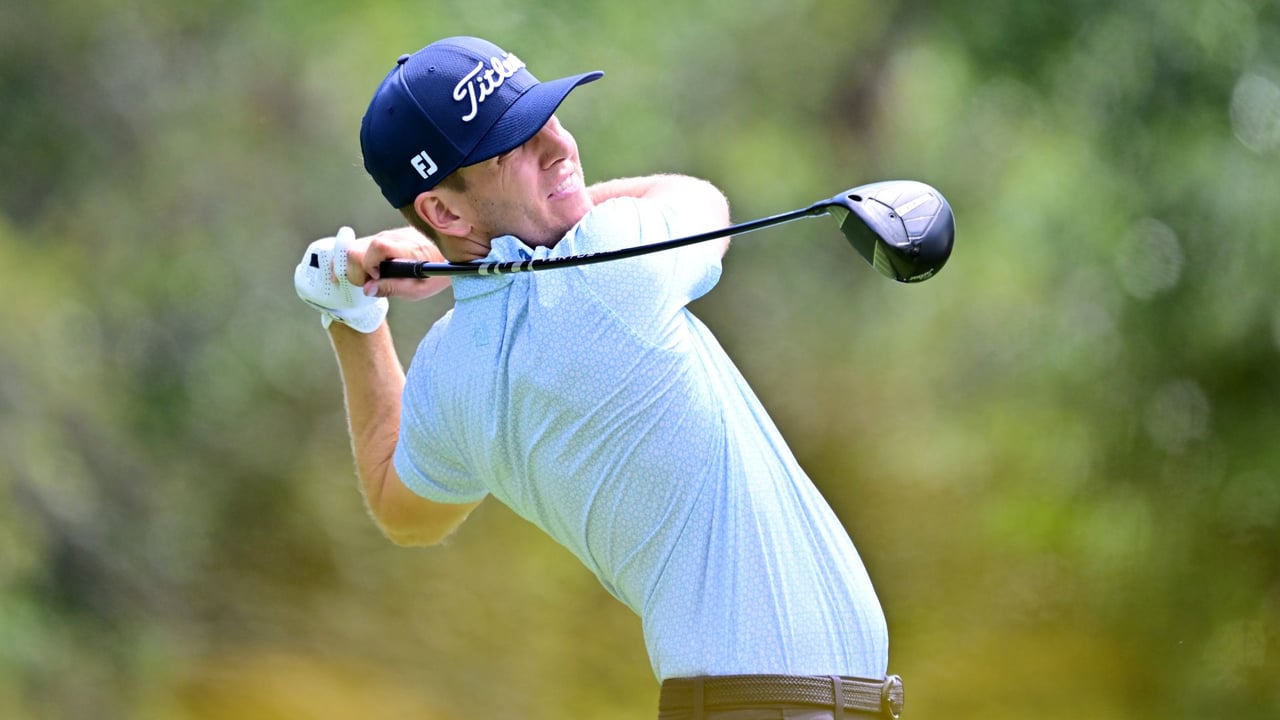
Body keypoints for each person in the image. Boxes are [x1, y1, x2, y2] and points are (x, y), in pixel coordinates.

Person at [294, 36, 905, 719]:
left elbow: (398, 505)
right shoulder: (611, 266)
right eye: (513, 146)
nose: (559, 146)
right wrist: (487, 247)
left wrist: (349, 310)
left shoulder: (449, 373)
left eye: (546, 117)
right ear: (443, 211)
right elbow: (697, 196)